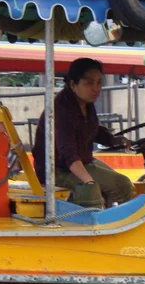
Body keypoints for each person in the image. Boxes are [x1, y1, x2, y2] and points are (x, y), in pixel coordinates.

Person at [31, 58, 135, 208]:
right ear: (73, 84)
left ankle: (108, 214)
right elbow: (68, 154)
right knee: (123, 185)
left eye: (99, 82)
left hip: (80, 161)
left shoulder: (86, 104)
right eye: (89, 83)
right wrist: (90, 183)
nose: (96, 88)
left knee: (119, 181)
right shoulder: (62, 110)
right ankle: (114, 221)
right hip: (56, 170)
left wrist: (113, 140)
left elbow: (91, 130)